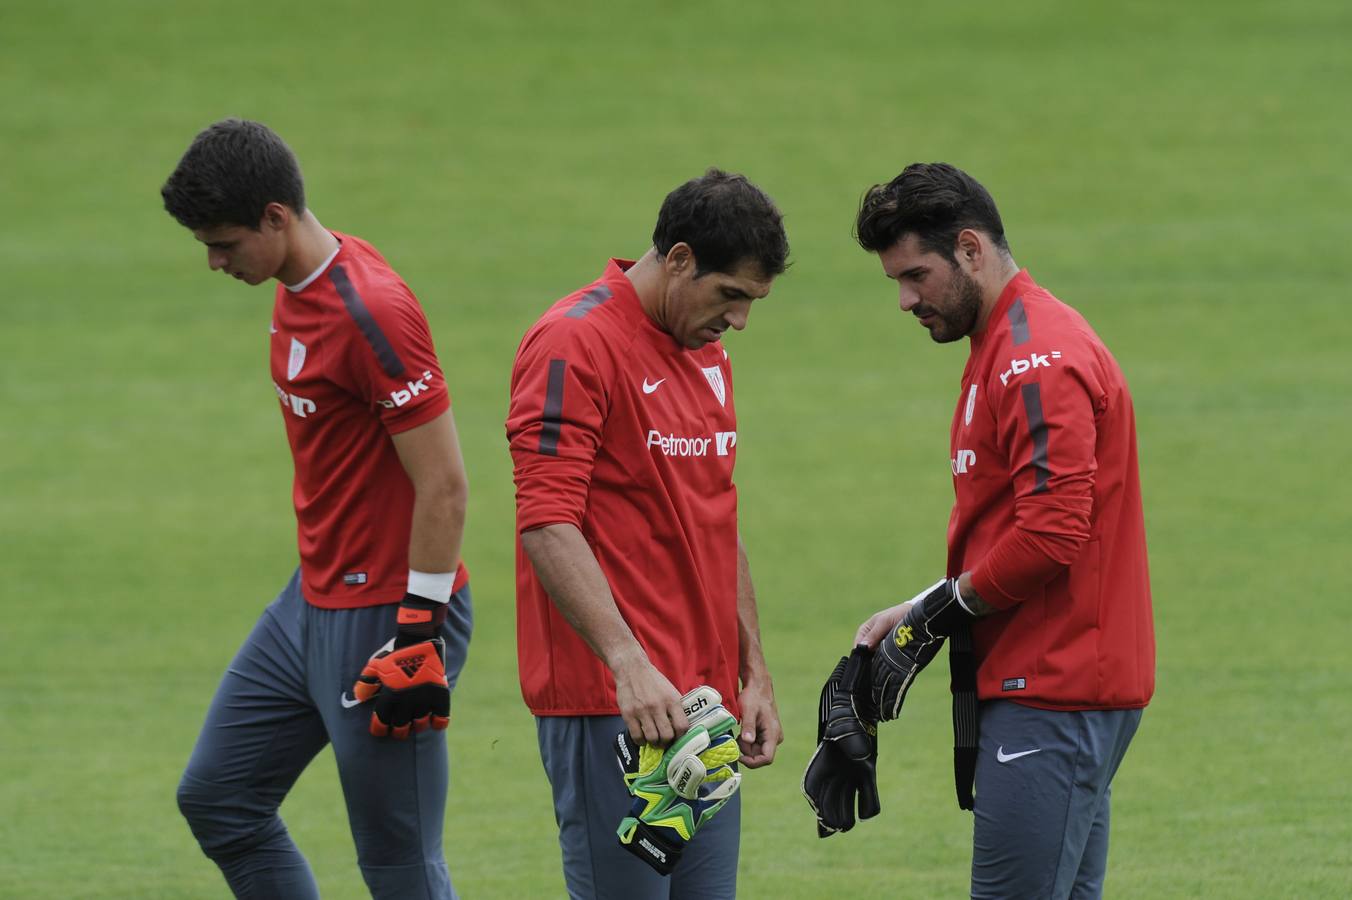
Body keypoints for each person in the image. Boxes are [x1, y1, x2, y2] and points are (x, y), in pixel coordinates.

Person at [162, 118, 473, 899]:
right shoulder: (296, 284)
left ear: (275, 217)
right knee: (219, 799)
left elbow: (445, 483)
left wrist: (417, 630)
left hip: (386, 616)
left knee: (399, 865)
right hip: (311, 601)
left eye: (224, 243)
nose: (213, 262)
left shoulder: (371, 312)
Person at [845, 162, 1154, 899]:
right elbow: (1017, 529)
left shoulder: (1036, 357)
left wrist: (933, 620)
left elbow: (1050, 537)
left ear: (972, 249)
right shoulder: (1006, 345)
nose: (904, 299)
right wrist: (919, 607)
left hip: (1054, 688)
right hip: (1055, 684)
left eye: (917, 275)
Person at [505, 168, 789, 899]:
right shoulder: (573, 344)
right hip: (615, 706)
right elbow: (547, 521)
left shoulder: (709, 358)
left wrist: (752, 671)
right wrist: (626, 661)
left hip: (703, 711)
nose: (740, 321)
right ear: (680, 259)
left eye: (754, 302)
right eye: (731, 296)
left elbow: (714, 523)